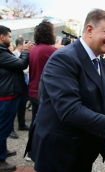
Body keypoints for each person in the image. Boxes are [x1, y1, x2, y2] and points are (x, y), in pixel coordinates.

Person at [25, 9, 105, 172]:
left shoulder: (102, 64)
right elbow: (70, 110)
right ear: (89, 30)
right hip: (59, 152)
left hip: (83, 150)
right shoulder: (64, 58)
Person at [25, 19, 60, 161]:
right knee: (45, 125)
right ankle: (40, 153)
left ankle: (30, 152)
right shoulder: (51, 51)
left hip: (32, 91)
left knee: (35, 122)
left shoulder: (33, 49)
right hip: (45, 94)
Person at [0, 25, 32, 172]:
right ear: (2, 37)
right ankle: (0, 160)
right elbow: (20, 64)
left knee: (5, 127)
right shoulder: (1, 52)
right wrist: (25, 51)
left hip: (10, 95)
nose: (10, 39)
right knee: (2, 128)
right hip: (6, 96)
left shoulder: (4, 51)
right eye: (9, 36)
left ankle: (3, 151)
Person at [9, 37, 30, 140]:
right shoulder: (12, 55)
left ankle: (21, 124)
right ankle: (10, 129)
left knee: (22, 105)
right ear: (19, 45)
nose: (27, 45)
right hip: (15, 85)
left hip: (23, 84)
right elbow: (21, 68)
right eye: (25, 43)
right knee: (13, 108)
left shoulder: (25, 54)